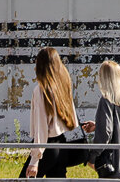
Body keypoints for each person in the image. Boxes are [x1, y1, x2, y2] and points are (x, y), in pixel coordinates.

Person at [20, 48, 85, 179]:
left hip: (47, 147)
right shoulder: (63, 85)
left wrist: (34, 160)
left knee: (22, 180)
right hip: (62, 144)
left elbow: (41, 128)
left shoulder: (41, 90)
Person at [82, 60, 120, 179]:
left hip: (110, 161)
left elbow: (105, 132)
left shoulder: (106, 100)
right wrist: (97, 125)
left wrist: (93, 156)